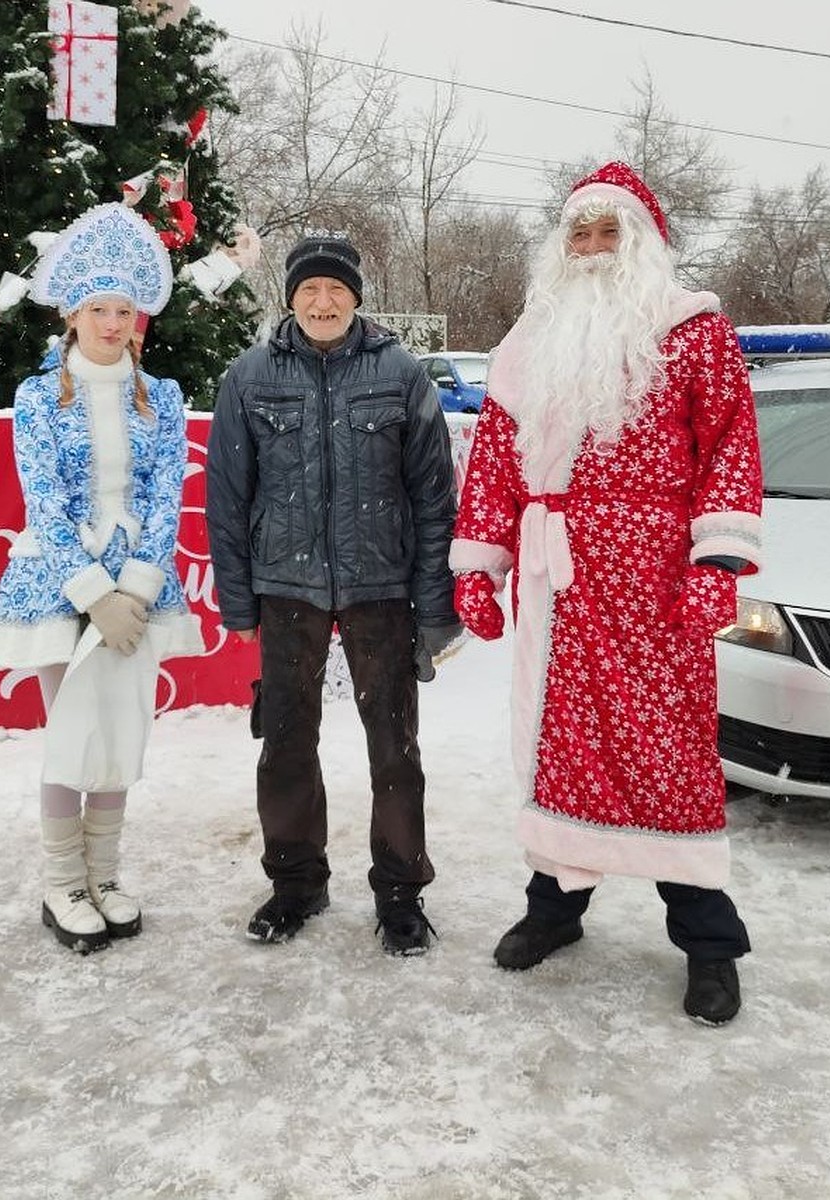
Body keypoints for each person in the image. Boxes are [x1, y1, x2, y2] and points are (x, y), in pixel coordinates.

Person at [450, 162, 762, 1024]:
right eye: (577, 233)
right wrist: (481, 563)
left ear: (642, 243)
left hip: (655, 584)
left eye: (607, 232)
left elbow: (730, 446)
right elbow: (495, 461)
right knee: (563, 749)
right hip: (560, 587)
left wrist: (718, 563)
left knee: (668, 757)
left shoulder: (691, 332)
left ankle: (708, 943)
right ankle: (554, 909)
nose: (589, 249)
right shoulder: (529, 342)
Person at [206, 233, 460, 955]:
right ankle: (296, 884)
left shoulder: (400, 373)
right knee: (285, 743)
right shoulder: (250, 376)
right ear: (290, 298)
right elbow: (227, 498)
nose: (323, 302)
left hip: (381, 589)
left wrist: (435, 606)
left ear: (356, 297)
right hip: (286, 588)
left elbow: (433, 498)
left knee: (394, 748)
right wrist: (238, 601)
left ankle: (402, 893)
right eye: (310, 289)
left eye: (336, 290)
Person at [0, 203, 202, 955]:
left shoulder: (160, 397)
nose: (112, 322)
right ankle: (62, 880)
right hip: (57, 586)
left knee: (120, 728)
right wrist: (93, 595)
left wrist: (133, 589)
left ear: (139, 318)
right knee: (73, 729)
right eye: (99, 309)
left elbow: (167, 494)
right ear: (73, 315)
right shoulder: (38, 397)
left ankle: (105, 874)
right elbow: (44, 499)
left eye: (124, 309)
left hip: (136, 586)